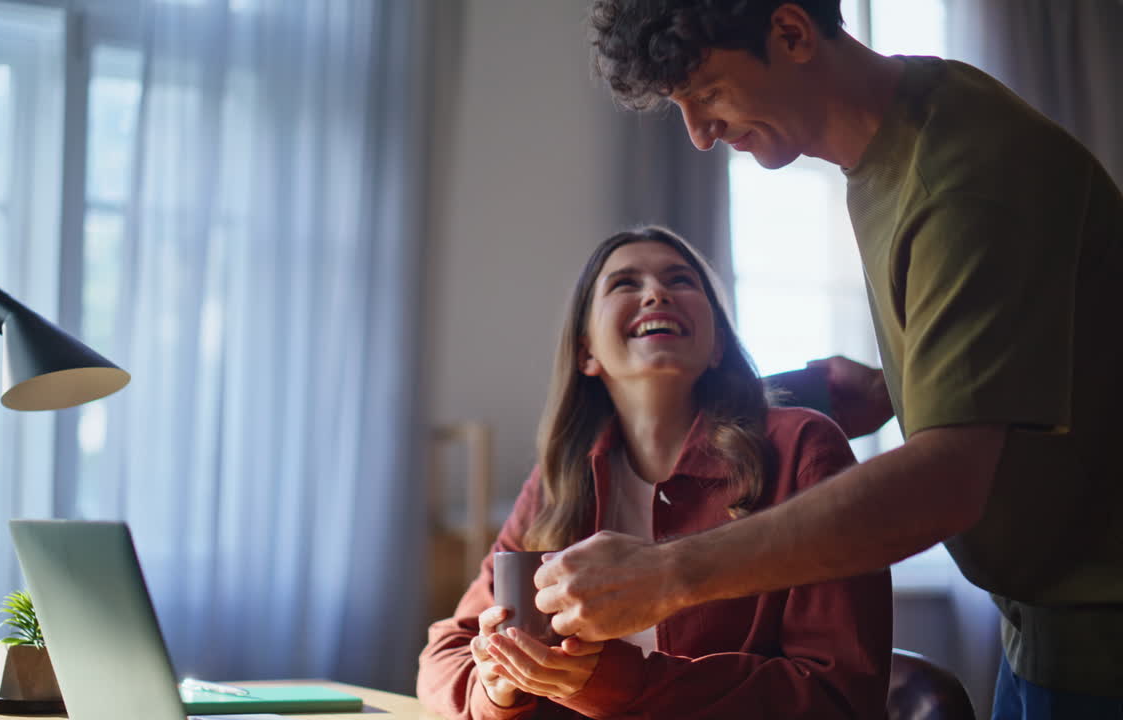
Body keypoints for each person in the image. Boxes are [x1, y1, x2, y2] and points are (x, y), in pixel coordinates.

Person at [533, 2, 1123, 716]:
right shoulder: (893, 147)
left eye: (709, 93)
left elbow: (945, 484)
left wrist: (666, 575)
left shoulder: (965, 175)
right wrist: (898, 388)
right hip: (1043, 626)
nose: (698, 134)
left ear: (792, 33)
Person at [417, 226, 891, 719]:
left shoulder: (804, 449)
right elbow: (445, 653)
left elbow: (839, 698)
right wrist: (495, 690)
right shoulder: (559, 479)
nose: (656, 292)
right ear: (587, 353)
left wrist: (622, 685)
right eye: (624, 283)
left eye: (681, 280)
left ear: (717, 347)